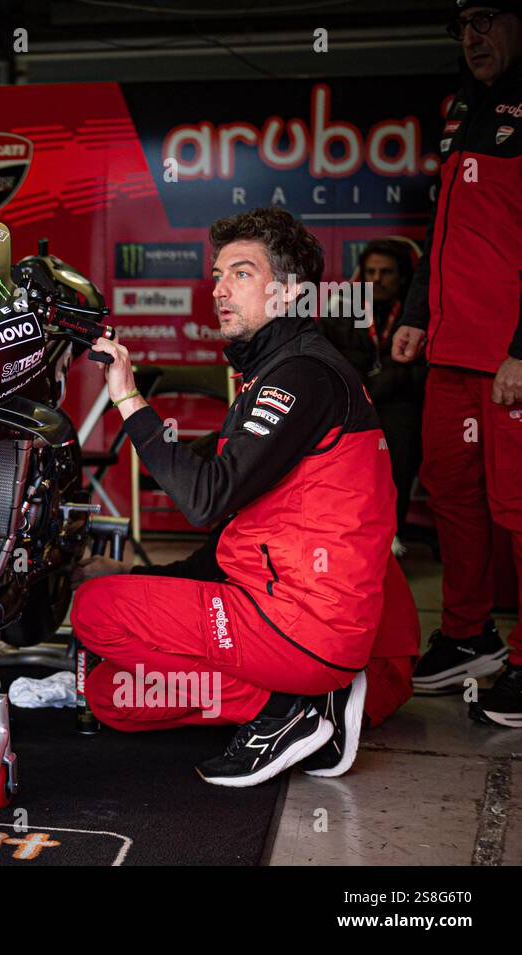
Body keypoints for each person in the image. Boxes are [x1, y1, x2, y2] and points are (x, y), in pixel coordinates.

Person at [74, 208, 406, 787]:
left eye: (242, 273)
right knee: (110, 694)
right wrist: (152, 576)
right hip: (286, 611)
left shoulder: (301, 375)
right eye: (218, 273)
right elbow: (235, 528)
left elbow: (204, 498)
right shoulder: (276, 371)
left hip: (303, 624)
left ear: (289, 292)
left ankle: (298, 709)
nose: (220, 288)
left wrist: (128, 399)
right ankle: (294, 701)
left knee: (94, 610)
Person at [390, 1, 522, 725]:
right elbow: (441, 226)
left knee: (520, 509)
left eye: (488, 18)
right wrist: (414, 314)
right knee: (451, 492)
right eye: (461, 25)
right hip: (452, 351)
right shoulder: (458, 107)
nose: (472, 37)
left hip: (510, 357)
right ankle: (470, 633)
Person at [317, 238, 425, 547]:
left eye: (386, 272)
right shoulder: (343, 305)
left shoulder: (416, 311)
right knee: (351, 471)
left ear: (402, 276)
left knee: (397, 463)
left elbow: (420, 369)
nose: (377, 279)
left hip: (401, 402)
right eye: (371, 272)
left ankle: (393, 537)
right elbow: (330, 358)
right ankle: (352, 543)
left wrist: (387, 384)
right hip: (355, 402)